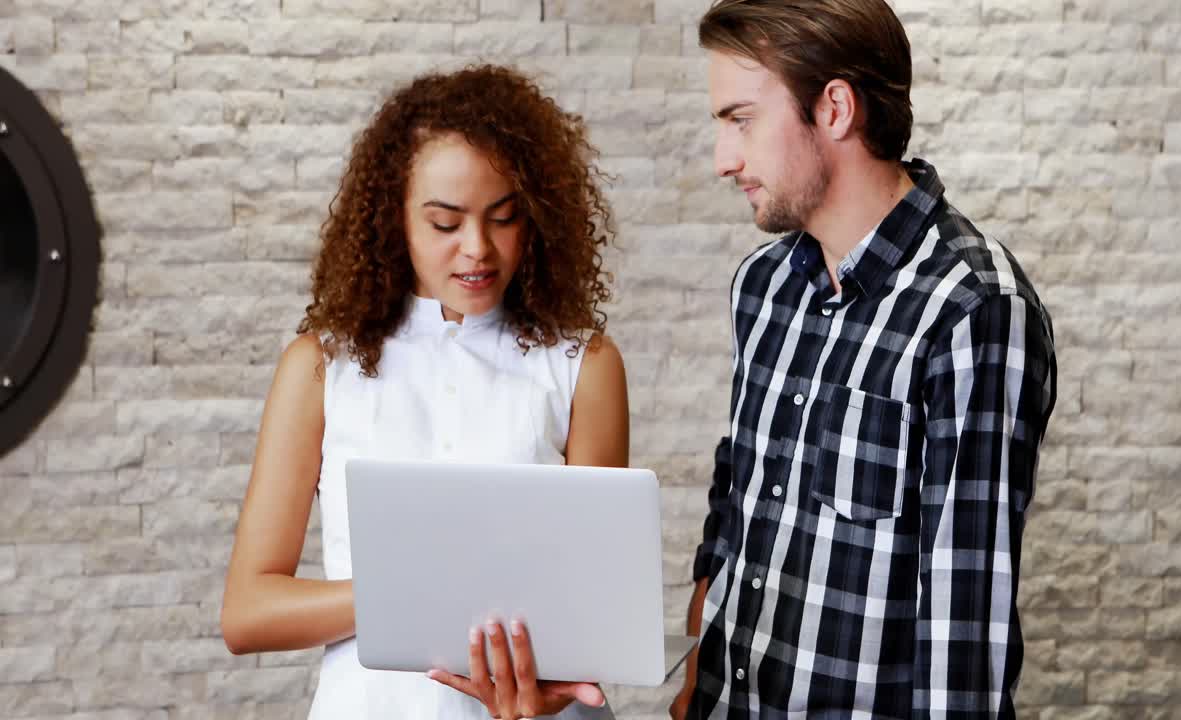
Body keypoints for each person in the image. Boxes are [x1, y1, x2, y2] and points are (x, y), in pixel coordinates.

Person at [670, 1, 1058, 717]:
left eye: (741, 119)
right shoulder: (763, 286)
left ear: (836, 108)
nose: (724, 159)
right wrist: (696, 681)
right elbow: (734, 507)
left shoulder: (972, 310)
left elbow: (962, 634)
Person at [220, 64, 626, 720]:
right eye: (445, 223)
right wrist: (419, 591)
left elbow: (590, 608)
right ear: (394, 222)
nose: (478, 250)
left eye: (504, 217)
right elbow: (247, 613)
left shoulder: (584, 364)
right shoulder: (322, 367)